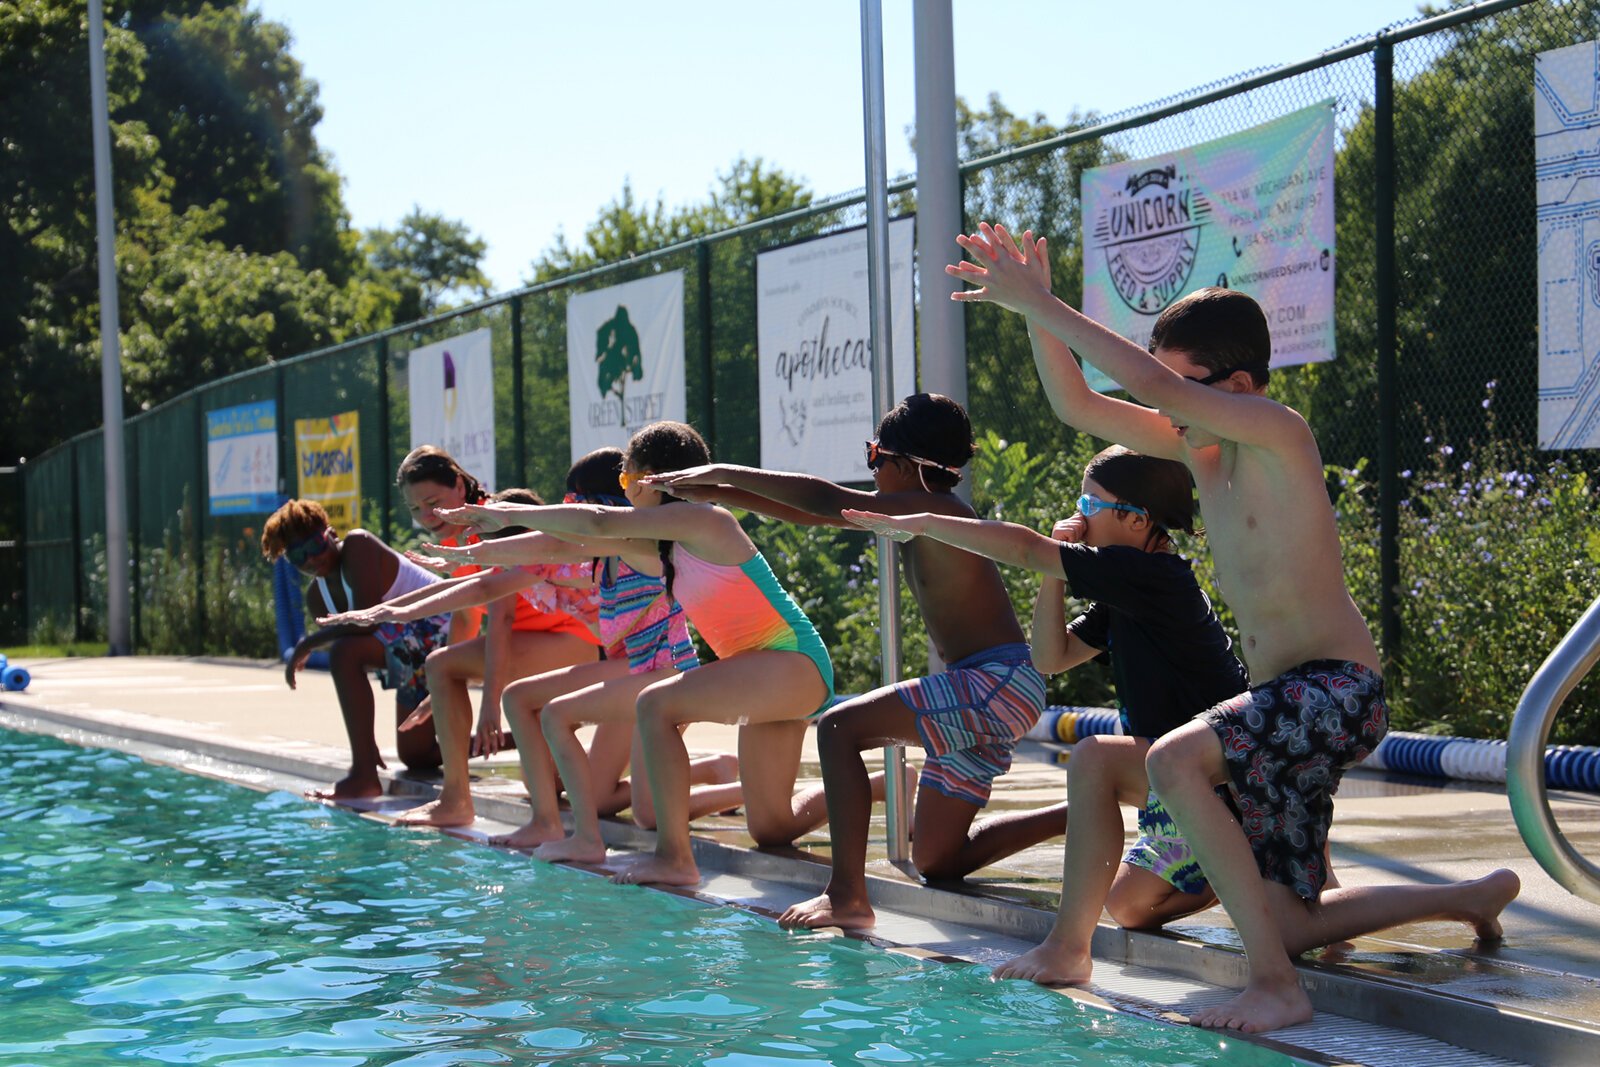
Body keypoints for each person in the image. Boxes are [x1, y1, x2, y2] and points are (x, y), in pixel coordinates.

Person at [947, 222, 1520, 1032]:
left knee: (1178, 759)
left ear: (1239, 385)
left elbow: (1154, 384)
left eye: (1182, 390)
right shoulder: (1203, 454)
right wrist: (1034, 315)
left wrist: (1045, 299)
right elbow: (1076, 401)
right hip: (1282, 703)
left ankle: (1276, 988)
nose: (1163, 410)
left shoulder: (1279, 434)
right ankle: (1470, 895)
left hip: (1338, 689)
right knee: (1287, 919)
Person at [643, 394, 1065, 932]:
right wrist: (719, 494)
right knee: (938, 859)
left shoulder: (938, 512)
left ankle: (846, 894)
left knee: (840, 728)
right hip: (991, 687)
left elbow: (825, 499)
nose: (871, 471)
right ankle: (1076, 817)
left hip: (994, 682)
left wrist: (724, 471)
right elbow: (813, 514)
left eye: (874, 457)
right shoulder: (921, 515)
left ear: (907, 464)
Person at [845, 445, 1251, 983]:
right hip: (1180, 775)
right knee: (1130, 907)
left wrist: (924, 522)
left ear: (1135, 519)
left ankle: (1067, 947)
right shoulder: (1127, 590)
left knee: (1094, 760)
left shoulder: (1153, 576)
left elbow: (1020, 547)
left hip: (1223, 769)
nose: (1079, 515)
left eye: (1090, 502)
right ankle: (1242, 866)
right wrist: (1054, 570)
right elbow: (1049, 658)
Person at [433, 421, 832, 886]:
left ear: (651, 478)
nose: (624, 492)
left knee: (656, 702)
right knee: (772, 826)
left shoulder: (706, 519)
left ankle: (675, 858)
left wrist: (502, 513)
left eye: (626, 480)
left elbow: (598, 522)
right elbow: (564, 545)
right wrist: (480, 551)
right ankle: (888, 785)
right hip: (764, 676)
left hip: (791, 662)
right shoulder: (663, 544)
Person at [332, 449, 735, 848]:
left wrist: (471, 549)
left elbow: (497, 583)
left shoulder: (638, 549)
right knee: (628, 808)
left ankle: (558, 828)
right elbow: (480, 585)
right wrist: (388, 609)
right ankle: (724, 776)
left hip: (659, 674)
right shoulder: (588, 561)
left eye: (577, 507)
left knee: (525, 702)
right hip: (630, 671)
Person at [318, 485, 601, 828]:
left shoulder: (549, 556)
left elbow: (490, 607)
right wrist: (384, 611)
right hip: (602, 654)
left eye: (486, 543)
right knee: (551, 781)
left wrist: (489, 705)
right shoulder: (529, 562)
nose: (481, 550)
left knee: (460, 672)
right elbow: (462, 593)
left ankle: (461, 801)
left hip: (612, 658)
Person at [265, 498, 452, 800]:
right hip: (412, 647)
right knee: (417, 756)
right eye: (297, 556)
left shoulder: (358, 546)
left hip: (445, 627)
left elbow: (368, 622)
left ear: (330, 534)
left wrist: (309, 643)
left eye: (314, 545)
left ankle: (363, 773)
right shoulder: (318, 597)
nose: (311, 559)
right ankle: (511, 740)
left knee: (344, 653)